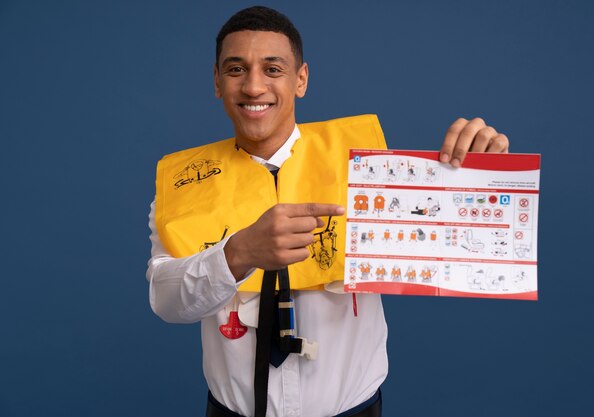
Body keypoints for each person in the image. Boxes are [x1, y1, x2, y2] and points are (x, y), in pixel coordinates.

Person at [146, 6, 509, 417]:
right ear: (217, 81)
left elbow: (452, 240)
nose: (253, 86)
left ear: (301, 79)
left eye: (272, 69)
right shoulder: (185, 188)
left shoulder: (370, 174)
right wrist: (238, 253)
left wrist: (480, 171)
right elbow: (166, 300)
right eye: (235, 69)